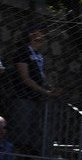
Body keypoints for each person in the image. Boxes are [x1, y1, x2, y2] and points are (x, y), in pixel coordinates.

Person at [9, 22, 61, 153]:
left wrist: (49, 89)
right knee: (21, 134)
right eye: (37, 31)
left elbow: (40, 77)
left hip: (35, 99)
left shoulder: (39, 55)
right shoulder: (23, 52)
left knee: (33, 134)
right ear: (30, 34)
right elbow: (25, 78)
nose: (40, 34)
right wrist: (46, 92)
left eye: (42, 31)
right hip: (23, 97)